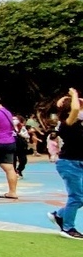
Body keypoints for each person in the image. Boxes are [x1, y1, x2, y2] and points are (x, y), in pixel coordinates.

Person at [48, 89, 81, 240]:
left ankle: (59, 215)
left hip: (78, 162)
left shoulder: (79, 122)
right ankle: (68, 228)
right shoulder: (68, 123)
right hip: (69, 163)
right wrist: (73, 94)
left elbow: (76, 107)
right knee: (77, 197)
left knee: (78, 197)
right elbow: (74, 108)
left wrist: (68, 98)